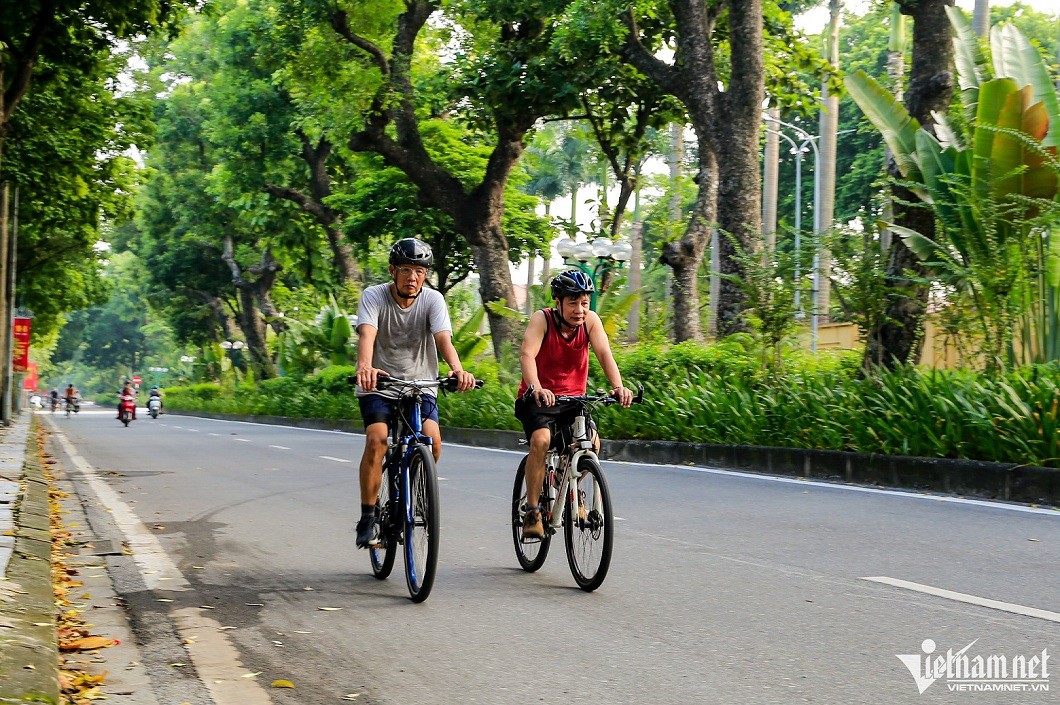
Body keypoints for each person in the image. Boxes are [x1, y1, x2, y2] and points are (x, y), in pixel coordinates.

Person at [353, 237, 476, 548]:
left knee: (432, 442)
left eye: (419, 272)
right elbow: (367, 334)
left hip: (420, 385)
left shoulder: (433, 300)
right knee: (377, 439)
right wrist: (365, 368)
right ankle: (368, 517)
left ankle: (416, 490)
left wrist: (458, 369)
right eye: (406, 270)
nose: (412, 278)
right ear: (393, 271)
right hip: (380, 384)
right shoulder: (374, 296)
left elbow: (443, 338)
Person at [514, 270, 633, 541]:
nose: (580, 310)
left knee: (591, 443)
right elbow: (527, 354)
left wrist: (618, 386)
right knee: (542, 441)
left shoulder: (591, 322)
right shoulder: (541, 319)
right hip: (538, 398)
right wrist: (536, 387)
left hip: (573, 400)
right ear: (558, 302)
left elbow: (604, 353)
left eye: (585, 303)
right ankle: (533, 510)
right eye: (573, 303)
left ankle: (570, 483)